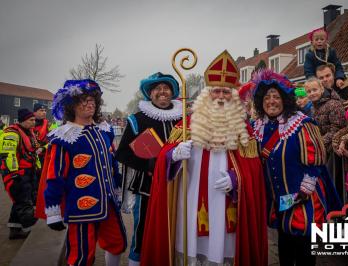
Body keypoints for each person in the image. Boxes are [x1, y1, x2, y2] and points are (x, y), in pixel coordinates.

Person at [140, 50, 268, 266]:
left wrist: (236, 179)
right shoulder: (187, 124)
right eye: (215, 91)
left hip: (227, 204)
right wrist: (174, 155)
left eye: (226, 92)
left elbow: (254, 168)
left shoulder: (243, 128)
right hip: (190, 202)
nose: (220, 97)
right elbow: (164, 157)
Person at [252, 69, 341, 266]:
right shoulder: (258, 126)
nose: (271, 101)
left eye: (276, 97)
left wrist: (304, 189)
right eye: (267, 97)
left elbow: (316, 160)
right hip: (279, 202)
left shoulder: (301, 123)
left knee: (304, 251)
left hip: (303, 199)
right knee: (284, 248)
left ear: (285, 99)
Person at [43, 79, 126, 266]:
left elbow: (112, 164)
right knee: (81, 255)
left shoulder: (104, 131)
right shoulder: (64, 137)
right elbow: (55, 175)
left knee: (117, 243)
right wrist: (53, 211)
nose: (90, 104)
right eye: (84, 100)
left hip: (109, 202)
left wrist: (118, 188)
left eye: (93, 100)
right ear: (72, 106)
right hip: (81, 208)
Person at [115, 72, 182, 266]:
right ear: (150, 94)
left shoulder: (183, 119)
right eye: (157, 89)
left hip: (178, 183)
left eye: (166, 88)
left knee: (175, 227)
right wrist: (149, 164)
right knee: (143, 229)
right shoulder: (137, 119)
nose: (162, 92)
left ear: (173, 92)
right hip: (147, 186)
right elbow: (122, 154)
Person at [0, 108, 39, 239]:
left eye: (34, 119)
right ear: (23, 120)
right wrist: (14, 174)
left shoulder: (29, 132)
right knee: (24, 201)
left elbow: (33, 152)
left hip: (29, 172)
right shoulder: (11, 133)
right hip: (18, 174)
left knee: (19, 201)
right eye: (31, 120)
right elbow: (8, 155)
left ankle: (15, 229)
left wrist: (38, 168)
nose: (34, 122)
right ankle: (30, 228)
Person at [304, 77, 346, 152]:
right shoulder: (313, 108)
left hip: (335, 147)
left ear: (322, 89)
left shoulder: (333, 104)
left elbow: (337, 128)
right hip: (323, 147)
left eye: (314, 90)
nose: (312, 93)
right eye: (309, 91)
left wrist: (319, 143)